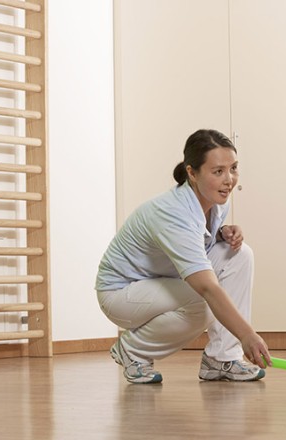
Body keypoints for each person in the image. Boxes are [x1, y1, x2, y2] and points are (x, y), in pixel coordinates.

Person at [96, 129, 272, 384]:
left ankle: (222, 358)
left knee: (240, 254)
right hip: (120, 292)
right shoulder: (172, 212)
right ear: (192, 172)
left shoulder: (218, 201)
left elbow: (194, 240)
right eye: (218, 171)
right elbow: (207, 287)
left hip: (163, 280)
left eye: (233, 168)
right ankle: (133, 350)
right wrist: (247, 334)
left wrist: (220, 233)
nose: (229, 179)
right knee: (203, 302)